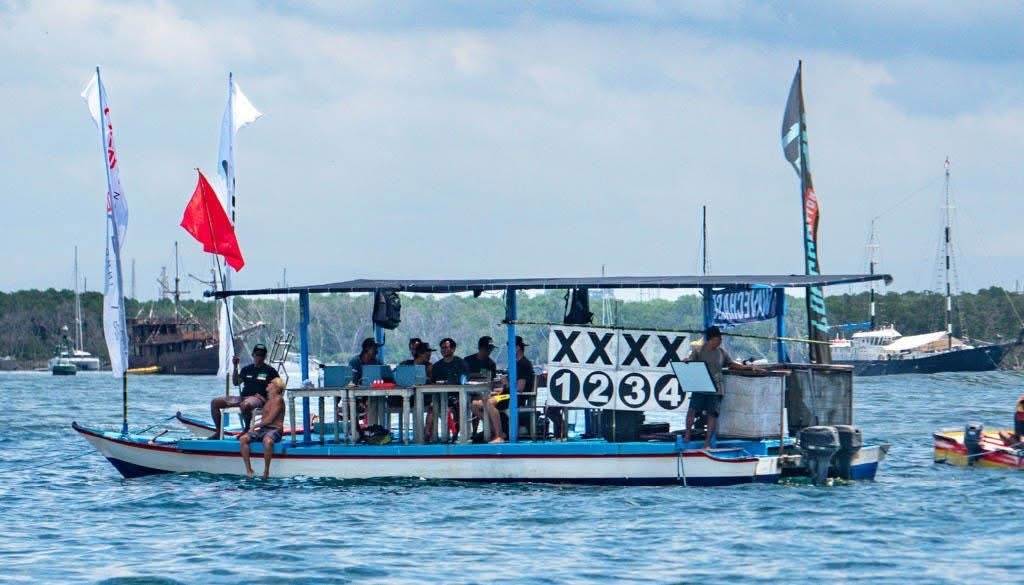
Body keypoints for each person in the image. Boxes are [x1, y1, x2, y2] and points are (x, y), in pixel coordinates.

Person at [683, 326, 760, 449]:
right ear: (711, 339)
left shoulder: (721, 352)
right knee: (692, 410)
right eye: (718, 339)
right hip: (701, 385)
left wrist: (748, 367)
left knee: (712, 414)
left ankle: (707, 442)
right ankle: (687, 434)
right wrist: (686, 361)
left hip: (716, 388)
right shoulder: (698, 350)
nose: (720, 341)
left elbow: (731, 364)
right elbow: (690, 361)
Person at [474, 336, 534, 443]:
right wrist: (500, 389)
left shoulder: (524, 364)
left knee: (489, 403)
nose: (508, 350)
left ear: (517, 348)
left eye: (509, 347)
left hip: (515, 397)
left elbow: (519, 388)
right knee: (475, 405)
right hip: (507, 394)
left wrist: (506, 383)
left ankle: (499, 435)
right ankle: (493, 430)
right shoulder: (514, 364)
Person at [210, 343, 279, 436]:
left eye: (262, 355)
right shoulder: (246, 369)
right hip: (243, 397)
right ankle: (218, 432)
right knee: (215, 402)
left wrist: (270, 401)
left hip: (258, 398)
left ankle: (247, 430)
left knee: (245, 405)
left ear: (265, 356)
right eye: (257, 354)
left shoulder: (271, 371)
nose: (259, 357)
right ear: (253, 355)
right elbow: (236, 382)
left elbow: (279, 387)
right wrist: (235, 366)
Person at [239, 377, 286, 479]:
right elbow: (266, 412)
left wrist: (254, 426)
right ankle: (249, 470)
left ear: (276, 387)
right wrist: (261, 398)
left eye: (270, 383)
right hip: (263, 429)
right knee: (243, 439)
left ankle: (266, 471)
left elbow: (269, 420)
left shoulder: (278, 399)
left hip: (275, 429)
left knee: (267, 441)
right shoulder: (269, 400)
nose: (268, 384)